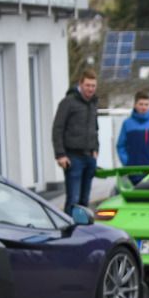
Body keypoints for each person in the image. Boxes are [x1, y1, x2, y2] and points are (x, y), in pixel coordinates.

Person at [51, 69, 101, 215]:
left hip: (89, 157)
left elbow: (95, 128)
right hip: (73, 158)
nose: (90, 89)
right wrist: (60, 154)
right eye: (88, 85)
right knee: (73, 198)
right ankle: (70, 232)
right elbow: (57, 128)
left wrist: (96, 149)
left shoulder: (93, 103)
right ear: (80, 84)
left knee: (85, 200)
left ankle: (84, 232)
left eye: (93, 86)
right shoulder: (68, 102)